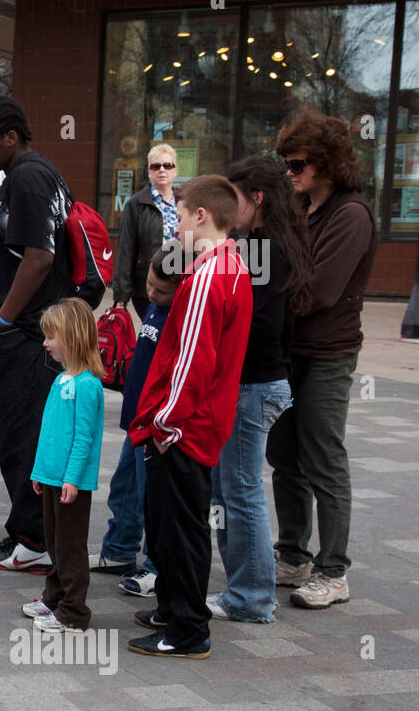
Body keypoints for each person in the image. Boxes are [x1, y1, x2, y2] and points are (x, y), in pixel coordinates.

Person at [127, 175, 253, 660]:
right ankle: (172, 612)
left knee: (180, 530)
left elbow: (193, 362)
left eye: (179, 215)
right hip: (190, 423)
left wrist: (166, 423)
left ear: (202, 216)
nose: (176, 225)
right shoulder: (227, 266)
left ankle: (185, 628)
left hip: (184, 427)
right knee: (169, 524)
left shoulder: (207, 275)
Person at [267, 112, 378, 611]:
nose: (290, 172)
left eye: (298, 164)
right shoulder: (301, 205)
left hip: (328, 353)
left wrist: (264, 292)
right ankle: (293, 555)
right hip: (291, 350)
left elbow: (319, 291)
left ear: (327, 163)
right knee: (284, 455)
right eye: (285, 163)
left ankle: (334, 570)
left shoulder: (351, 214)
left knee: (323, 456)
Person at [205, 155, 313, 624]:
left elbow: (261, 326)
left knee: (241, 491)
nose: (229, 207)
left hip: (254, 385)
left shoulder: (265, 249)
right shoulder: (263, 244)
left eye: (236, 197)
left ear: (258, 198)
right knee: (230, 491)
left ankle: (250, 596)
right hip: (253, 383)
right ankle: (243, 590)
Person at [0, 96, 72, 574]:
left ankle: (32, 539)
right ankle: (33, 534)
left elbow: (39, 257)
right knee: (30, 436)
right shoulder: (39, 174)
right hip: (37, 332)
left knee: (21, 438)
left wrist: (5, 320)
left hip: (29, 334)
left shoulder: (29, 178)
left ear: (12, 136)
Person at [96, 243, 181, 598]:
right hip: (135, 417)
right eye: (149, 285)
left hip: (154, 423)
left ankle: (156, 567)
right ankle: (119, 549)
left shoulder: (178, 316)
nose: (151, 294)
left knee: (153, 499)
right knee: (125, 488)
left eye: (160, 291)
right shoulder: (154, 308)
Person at [20, 298, 105, 632]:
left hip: (71, 483)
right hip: (53, 478)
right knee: (55, 543)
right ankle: (53, 597)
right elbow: (50, 432)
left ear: (70, 337)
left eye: (50, 337)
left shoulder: (87, 385)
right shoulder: (61, 380)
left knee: (70, 546)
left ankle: (74, 611)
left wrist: (71, 478)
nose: (45, 343)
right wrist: (41, 471)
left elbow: (83, 438)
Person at [114, 143, 178, 319]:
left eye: (168, 165)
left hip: (181, 284)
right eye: (156, 166)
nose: (162, 170)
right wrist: (121, 297)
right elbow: (126, 250)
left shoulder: (184, 201)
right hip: (149, 288)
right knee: (155, 334)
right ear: (149, 172)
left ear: (175, 171)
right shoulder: (136, 204)